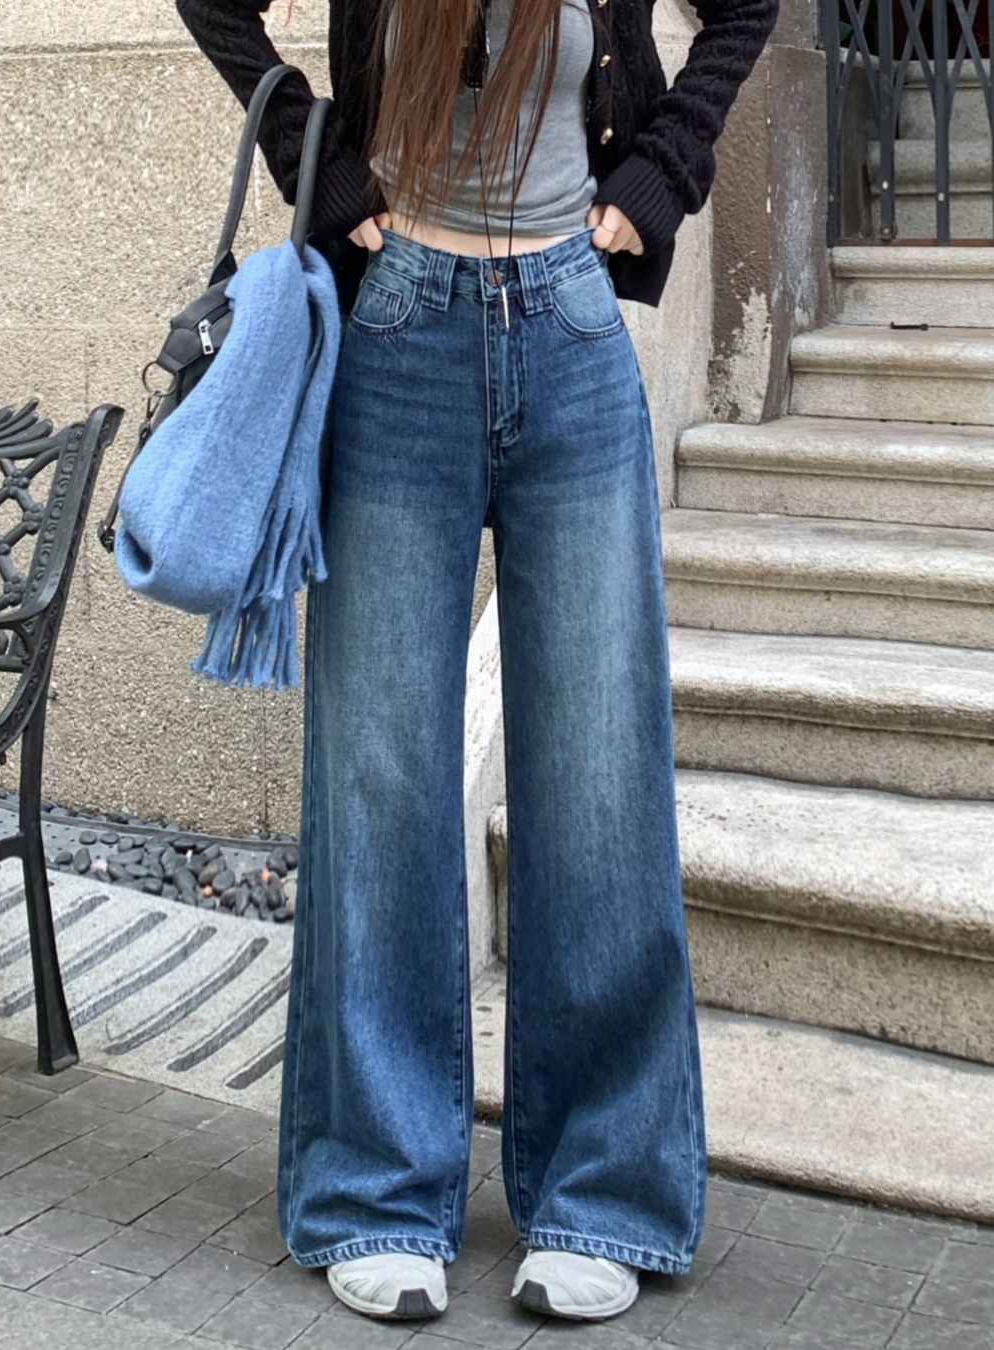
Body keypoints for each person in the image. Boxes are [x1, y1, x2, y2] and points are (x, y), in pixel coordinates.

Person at [176, 0, 779, 1326]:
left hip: (570, 331)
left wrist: (664, 166)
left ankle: (603, 1190)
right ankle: (377, 1188)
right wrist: (318, 159)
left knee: (599, 781)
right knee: (382, 780)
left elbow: (746, 10)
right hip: (397, 339)